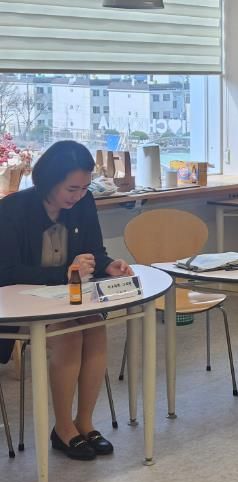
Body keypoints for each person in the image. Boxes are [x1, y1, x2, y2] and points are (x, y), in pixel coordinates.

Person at [0, 140, 133, 460]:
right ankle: (62, 429)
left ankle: (84, 422)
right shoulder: (13, 209)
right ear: (49, 181)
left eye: (85, 188)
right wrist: (64, 273)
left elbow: (94, 252)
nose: (78, 196)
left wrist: (108, 265)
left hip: (67, 296)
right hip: (22, 302)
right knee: (70, 336)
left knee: (95, 327)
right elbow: (7, 272)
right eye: (71, 189)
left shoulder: (84, 204)